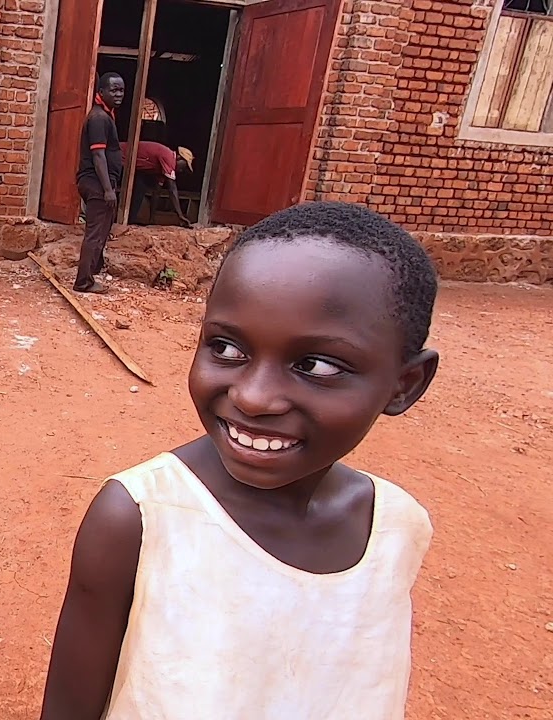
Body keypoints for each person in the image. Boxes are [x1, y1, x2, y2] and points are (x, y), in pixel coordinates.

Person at [40, 201, 441, 720]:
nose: (252, 397)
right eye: (227, 348)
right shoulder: (139, 519)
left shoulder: (397, 528)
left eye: (315, 364)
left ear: (404, 385)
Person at [73, 72, 126, 294]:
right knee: (94, 233)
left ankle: (93, 270)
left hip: (101, 183)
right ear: (101, 92)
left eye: (121, 90)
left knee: (101, 229)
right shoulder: (98, 119)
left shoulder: (106, 115)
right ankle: (83, 281)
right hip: (96, 183)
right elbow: (98, 156)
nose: (119, 94)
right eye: (113, 90)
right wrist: (107, 189)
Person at [123, 139, 194, 227]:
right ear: (179, 157)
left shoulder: (163, 167)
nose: (183, 170)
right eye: (185, 165)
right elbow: (172, 188)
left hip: (131, 166)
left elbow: (156, 192)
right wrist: (180, 215)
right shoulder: (169, 157)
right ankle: (125, 221)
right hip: (121, 156)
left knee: (141, 186)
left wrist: (152, 219)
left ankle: (130, 221)